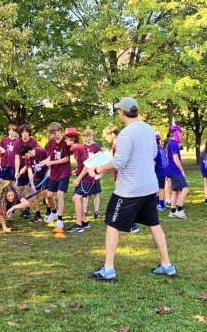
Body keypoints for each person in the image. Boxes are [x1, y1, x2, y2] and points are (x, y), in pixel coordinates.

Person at [87, 97, 176, 281]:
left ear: (121, 112)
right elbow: (151, 155)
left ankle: (108, 269)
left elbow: (119, 162)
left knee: (112, 223)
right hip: (149, 187)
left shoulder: (127, 133)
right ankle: (167, 265)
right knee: (154, 224)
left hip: (130, 190)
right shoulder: (149, 129)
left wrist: (96, 169)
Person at [40, 122, 73, 229]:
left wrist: (51, 163)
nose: (53, 135)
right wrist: (43, 162)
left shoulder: (66, 141)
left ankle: (59, 220)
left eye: (55, 133)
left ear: (60, 131)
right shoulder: (51, 141)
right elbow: (51, 156)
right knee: (49, 195)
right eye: (51, 134)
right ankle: (54, 212)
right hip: (54, 172)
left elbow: (66, 159)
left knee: (59, 194)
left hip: (64, 171)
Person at [19, 143, 49, 222]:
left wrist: (49, 172)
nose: (25, 157)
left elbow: (50, 159)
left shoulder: (41, 151)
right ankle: (38, 213)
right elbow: (29, 171)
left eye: (25, 155)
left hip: (45, 175)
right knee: (35, 193)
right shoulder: (27, 159)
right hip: (36, 177)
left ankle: (49, 210)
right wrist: (32, 184)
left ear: (29, 151)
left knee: (46, 193)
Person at [14, 124, 39, 218]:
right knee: (20, 189)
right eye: (22, 132)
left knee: (29, 189)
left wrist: (26, 167)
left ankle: (26, 209)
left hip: (30, 169)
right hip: (20, 169)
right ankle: (25, 205)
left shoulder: (33, 142)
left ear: (29, 133)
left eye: (26, 132)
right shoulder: (17, 142)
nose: (24, 134)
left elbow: (34, 156)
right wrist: (17, 171)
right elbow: (17, 158)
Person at [166, 124, 188, 219]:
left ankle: (173, 211)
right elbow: (176, 158)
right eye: (179, 133)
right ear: (176, 133)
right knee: (185, 188)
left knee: (175, 191)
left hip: (171, 170)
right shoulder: (173, 144)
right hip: (175, 170)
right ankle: (180, 209)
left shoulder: (169, 143)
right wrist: (182, 170)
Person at [80, 129, 103, 219]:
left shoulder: (96, 147)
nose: (88, 138)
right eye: (86, 136)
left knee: (96, 193)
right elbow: (81, 161)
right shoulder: (82, 147)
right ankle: (84, 210)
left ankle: (96, 211)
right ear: (84, 137)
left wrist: (99, 170)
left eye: (89, 136)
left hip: (95, 173)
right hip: (86, 174)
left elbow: (101, 159)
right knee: (85, 194)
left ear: (92, 136)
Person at [154, 134, 168, 212]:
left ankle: (161, 205)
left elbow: (153, 163)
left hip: (159, 171)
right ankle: (157, 204)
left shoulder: (155, 150)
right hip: (163, 170)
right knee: (158, 188)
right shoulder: (160, 148)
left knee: (160, 189)